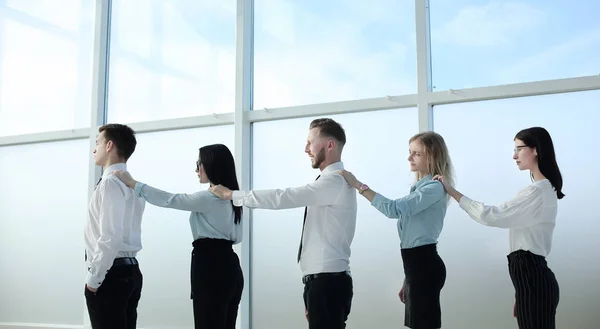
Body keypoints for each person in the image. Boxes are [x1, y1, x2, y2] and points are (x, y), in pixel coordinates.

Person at [210, 118, 356, 329]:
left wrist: (232, 195)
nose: (306, 149)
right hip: (323, 282)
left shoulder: (334, 181)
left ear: (330, 145)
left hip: (327, 283)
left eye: (310, 142)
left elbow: (284, 197)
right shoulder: (335, 181)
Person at [434, 126, 563, 329]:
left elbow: (492, 215)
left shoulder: (538, 192)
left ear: (536, 150)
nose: (514, 156)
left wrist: (452, 191)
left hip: (533, 279)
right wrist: (521, 292)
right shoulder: (543, 190)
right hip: (532, 280)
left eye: (519, 149)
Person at [112, 144, 244, 329]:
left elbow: (171, 199)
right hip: (231, 266)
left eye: (200, 163)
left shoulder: (211, 198)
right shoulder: (232, 199)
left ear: (212, 165)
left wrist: (133, 184)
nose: (196, 169)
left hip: (211, 266)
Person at [339, 131, 452, 329]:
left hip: (424, 266)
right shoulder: (420, 187)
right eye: (410, 152)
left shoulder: (433, 188)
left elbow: (394, 209)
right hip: (416, 267)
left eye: (416, 153)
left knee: (424, 325)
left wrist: (357, 184)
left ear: (432, 155)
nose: (409, 158)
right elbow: (412, 241)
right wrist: (407, 279)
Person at [84, 123, 146, 329]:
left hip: (111, 275)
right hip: (130, 273)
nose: (94, 149)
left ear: (109, 145)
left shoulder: (110, 183)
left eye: (97, 143)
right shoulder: (132, 186)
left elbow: (110, 237)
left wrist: (94, 278)